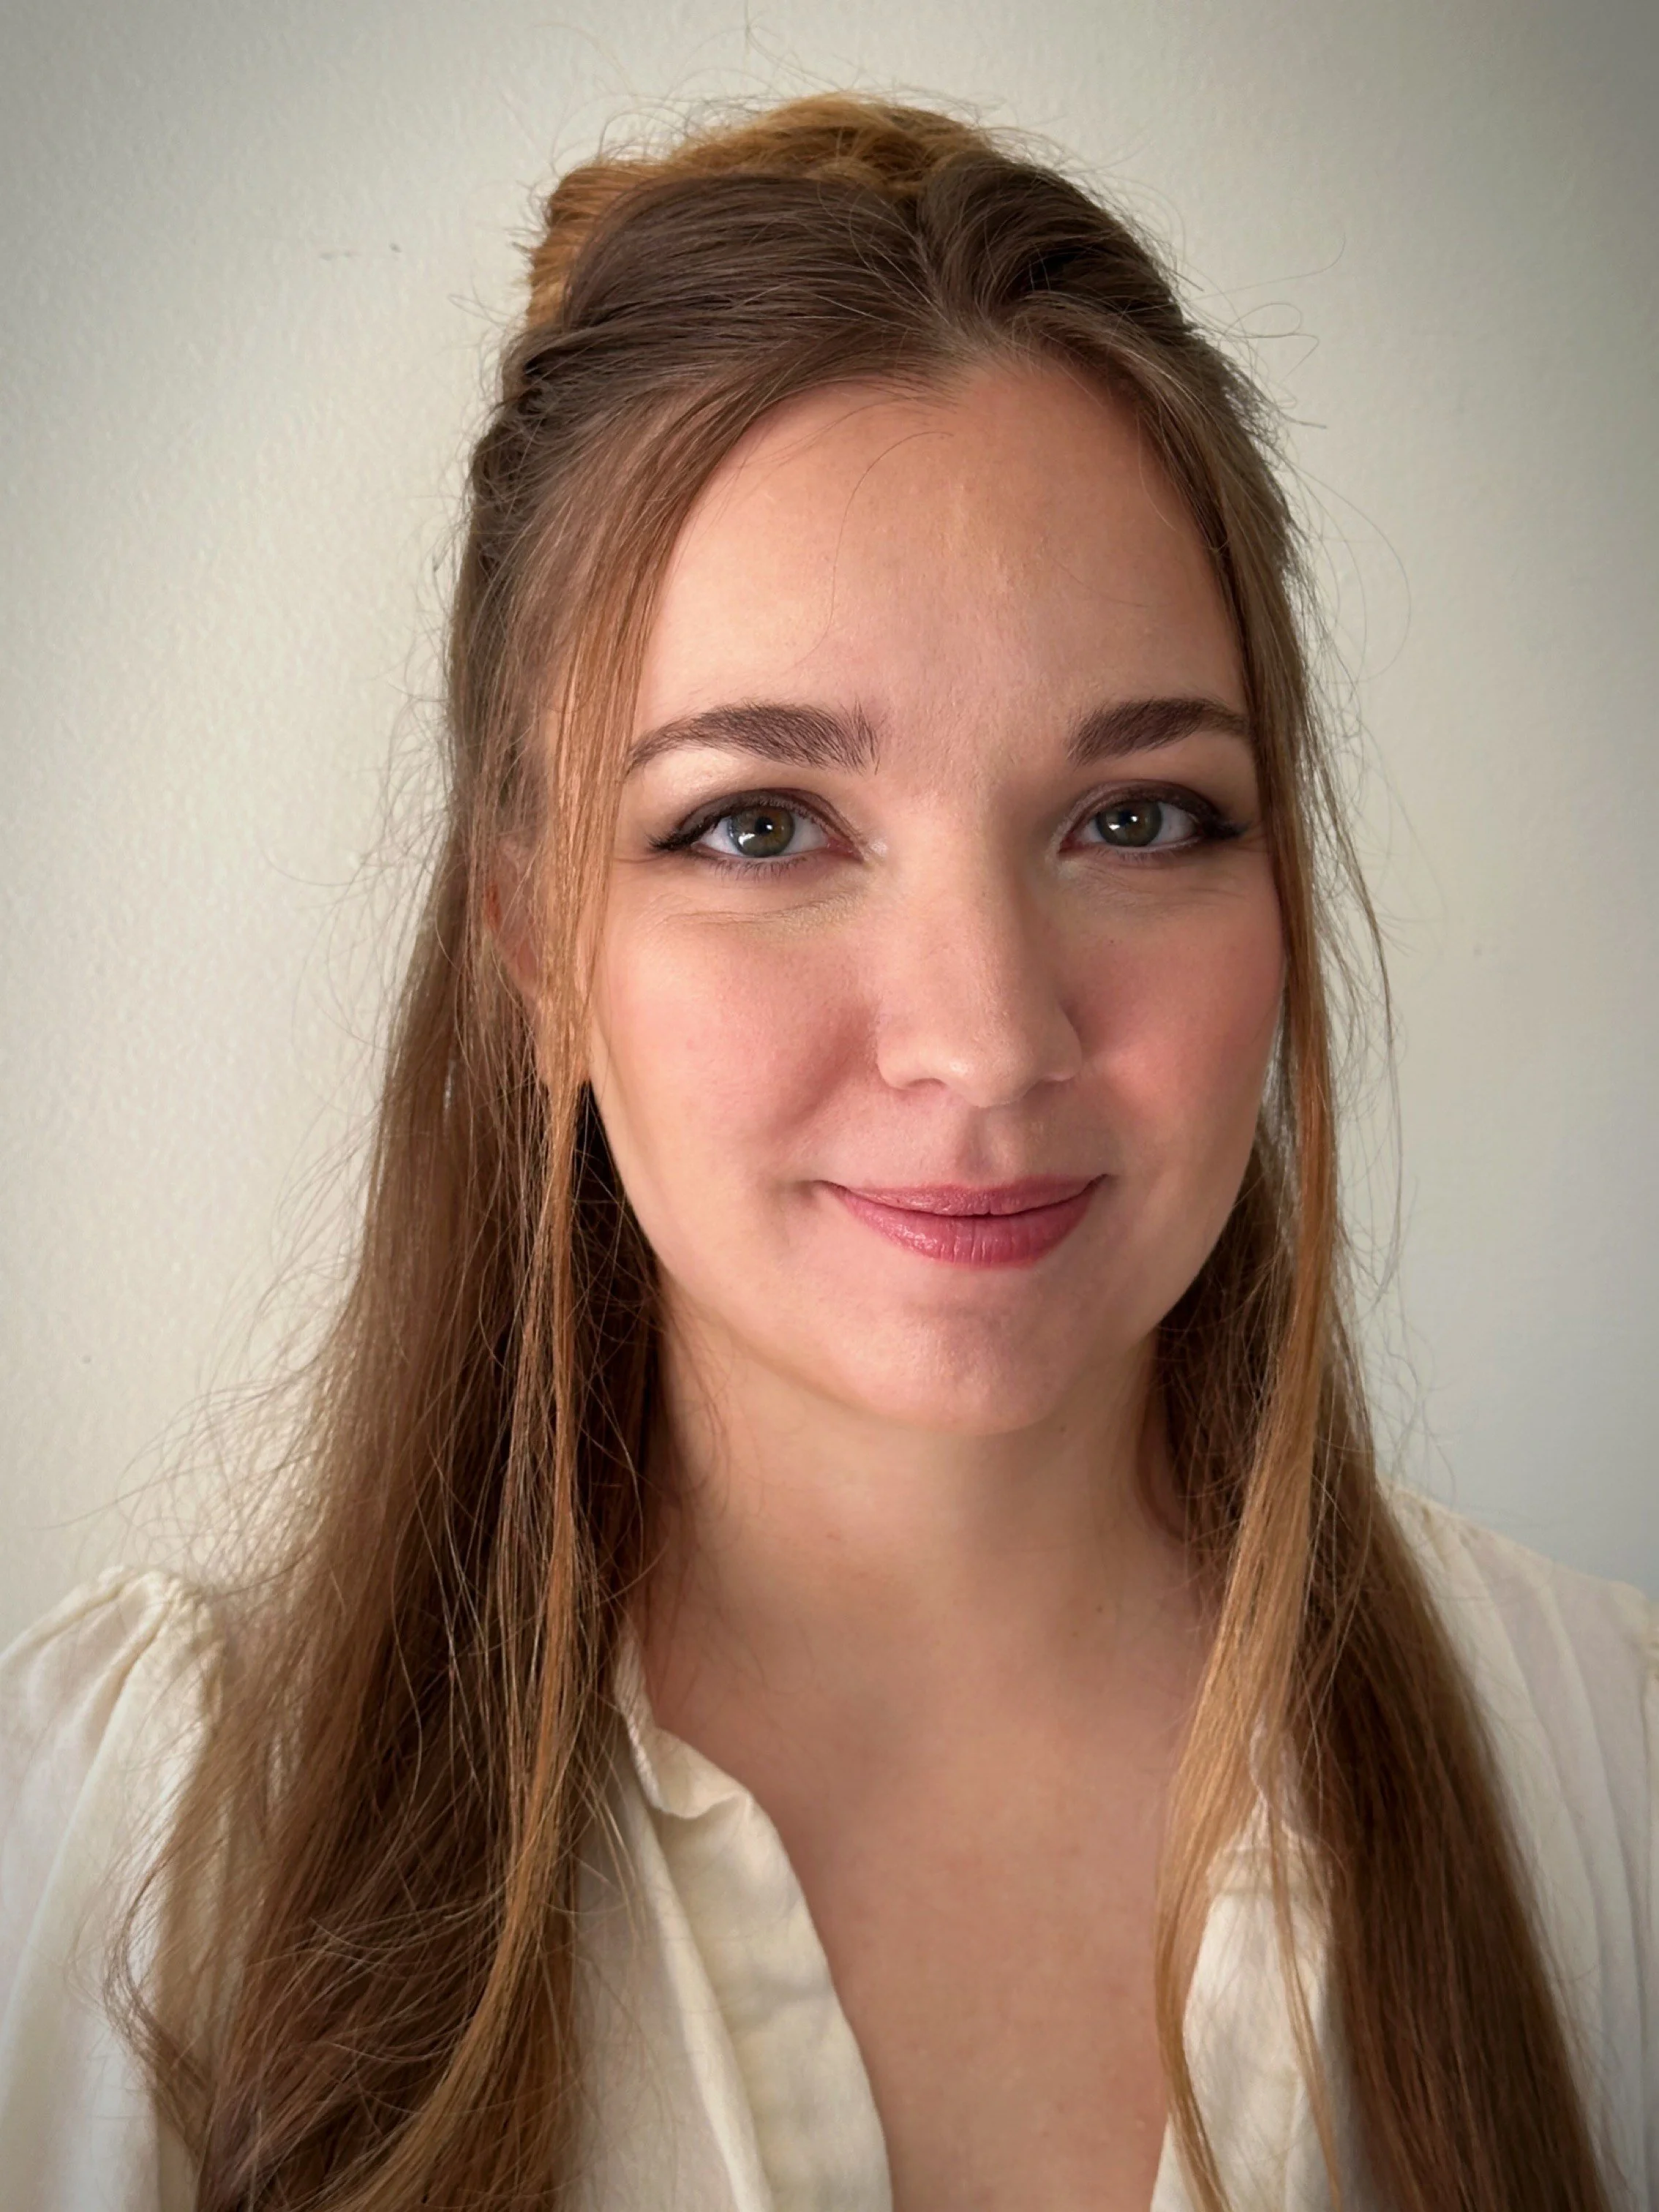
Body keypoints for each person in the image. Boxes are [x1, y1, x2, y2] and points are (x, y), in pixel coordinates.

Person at [0, 92, 1652, 2212]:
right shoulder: (123, 1856)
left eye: (1136, 816)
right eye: (758, 825)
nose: (981, 1039)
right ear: (528, 945)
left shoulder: (1601, 1784)